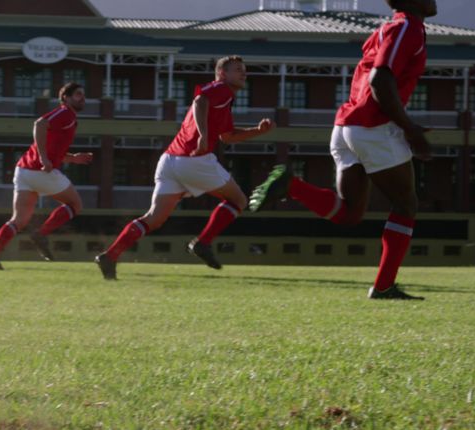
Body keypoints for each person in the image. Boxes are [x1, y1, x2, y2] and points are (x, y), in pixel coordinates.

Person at [248, 0, 436, 300]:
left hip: (346, 127)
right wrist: (410, 128)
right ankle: (384, 286)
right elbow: (380, 78)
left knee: (349, 214)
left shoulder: (394, 28)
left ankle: (292, 186)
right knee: (405, 204)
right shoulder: (406, 27)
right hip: (373, 127)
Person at [94, 55, 274, 280]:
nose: (243, 73)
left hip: (170, 161)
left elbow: (227, 136)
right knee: (238, 200)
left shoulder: (223, 99)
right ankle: (203, 243)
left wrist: (258, 131)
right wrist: (202, 136)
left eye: (244, 70)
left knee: (154, 218)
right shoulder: (221, 89)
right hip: (194, 160)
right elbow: (200, 101)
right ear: (222, 74)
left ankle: (109, 256)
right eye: (238, 69)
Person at [0, 82, 94, 270]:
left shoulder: (68, 117)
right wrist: (43, 158)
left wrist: (73, 158)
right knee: (75, 205)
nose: (82, 98)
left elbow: (53, 149)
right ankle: (41, 234)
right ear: (66, 98)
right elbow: (39, 124)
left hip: (24, 171)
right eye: (78, 94)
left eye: (83, 94)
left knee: (19, 220)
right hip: (40, 171)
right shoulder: (65, 113)